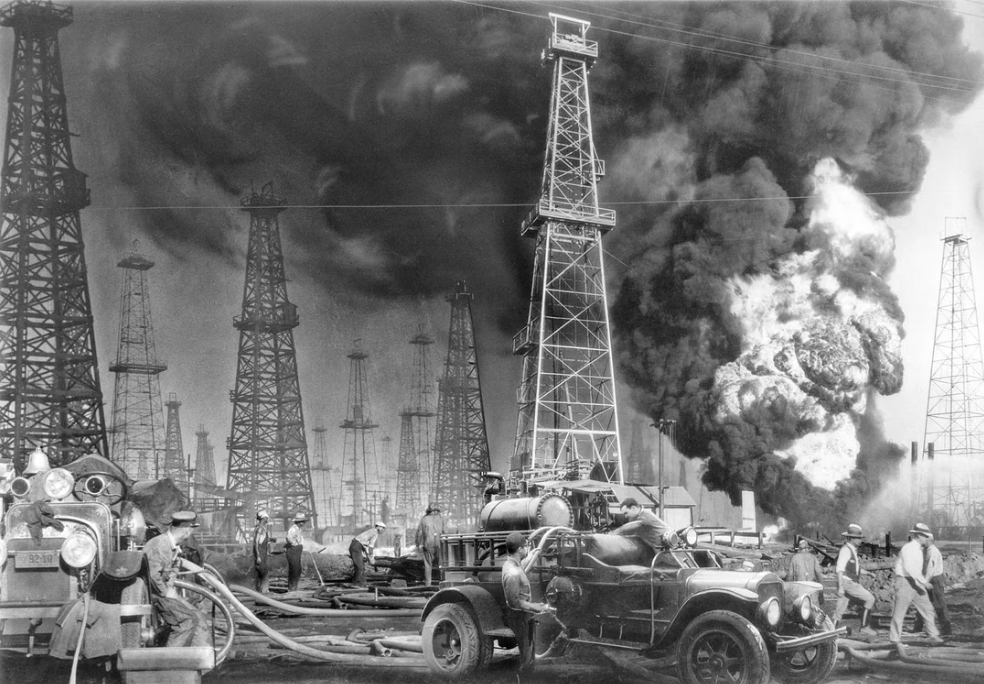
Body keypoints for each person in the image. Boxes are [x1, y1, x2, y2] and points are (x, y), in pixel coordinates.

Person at [142, 510, 209, 647]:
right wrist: (166, 592)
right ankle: (170, 661)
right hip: (153, 594)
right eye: (191, 529)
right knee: (186, 621)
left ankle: (197, 658)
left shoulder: (172, 546)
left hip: (161, 593)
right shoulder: (160, 544)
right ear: (187, 531)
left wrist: (170, 588)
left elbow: (172, 570)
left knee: (198, 616)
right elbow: (153, 575)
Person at [501, 531, 553, 672]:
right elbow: (515, 602)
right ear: (519, 549)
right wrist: (536, 607)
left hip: (524, 615)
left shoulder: (512, 564)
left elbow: (520, 568)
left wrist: (529, 556)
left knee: (529, 655)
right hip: (520, 617)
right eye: (525, 547)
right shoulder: (512, 573)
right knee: (527, 659)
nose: (527, 549)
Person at [890, 522, 943, 646]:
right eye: (925, 536)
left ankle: (933, 636)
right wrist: (924, 582)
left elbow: (916, 570)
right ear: (919, 536)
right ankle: (894, 641)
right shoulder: (908, 548)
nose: (927, 538)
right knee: (899, 612)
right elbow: (910, 568)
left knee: (927, 608)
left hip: (915, 582)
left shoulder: (919, 549)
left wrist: (920, 583)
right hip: (904, 581)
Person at [831, 523, 877, 636]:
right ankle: (865, 627)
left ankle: (831, 631)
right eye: (857, 538)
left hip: (848, 582)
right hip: (847, 583)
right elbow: (839, 569)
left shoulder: (852, 550)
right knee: (870, 599)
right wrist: (841, 587)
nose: (859, 541)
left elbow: (855, 569)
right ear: (850, 538)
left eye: (860, 538)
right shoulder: (846, 550)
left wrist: (868, 573)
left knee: (840, 609)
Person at [416, 502, 445, 586]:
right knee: (442, 564)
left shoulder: (424, 519)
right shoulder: (441, 518)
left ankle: (428, 585)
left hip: (428, 544)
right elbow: (444, 532)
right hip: (439, 543)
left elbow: (419, 533)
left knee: (428, 566)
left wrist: (418, 544)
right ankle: (443, 583)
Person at [349, 521, 386, 588]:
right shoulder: (375, 533)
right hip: (356, 546)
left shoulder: (371, 531)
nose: (383, 531)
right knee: (360, 567)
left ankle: (362, 583)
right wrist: (371, 558)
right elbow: (370, 547)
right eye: (383, 529)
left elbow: (365, 546)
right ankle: (356, 584)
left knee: (360, 566)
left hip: (355, 545)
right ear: (379, 528)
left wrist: (368, 556)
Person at [285, 513, 307, 592]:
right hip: (293, 551)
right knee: (293, 570)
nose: (303, 523)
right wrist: (294, 544)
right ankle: (291, 589)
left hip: (297, 551)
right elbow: (288, 537)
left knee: (297, 570)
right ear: (298, 522)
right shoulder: (293, 529)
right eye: (302, 521)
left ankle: (294, 587)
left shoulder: (299, 529)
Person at [252, 510, 270, 593]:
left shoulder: (261, 528)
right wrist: (258, 556)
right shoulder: (260, 529)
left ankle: (262, 590)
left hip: (263, 553)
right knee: (263, 572)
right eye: (266, 518)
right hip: (261, 553)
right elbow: (256, 543)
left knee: (262, 572)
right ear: (263, 518)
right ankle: (263, 591)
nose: (267, 520)